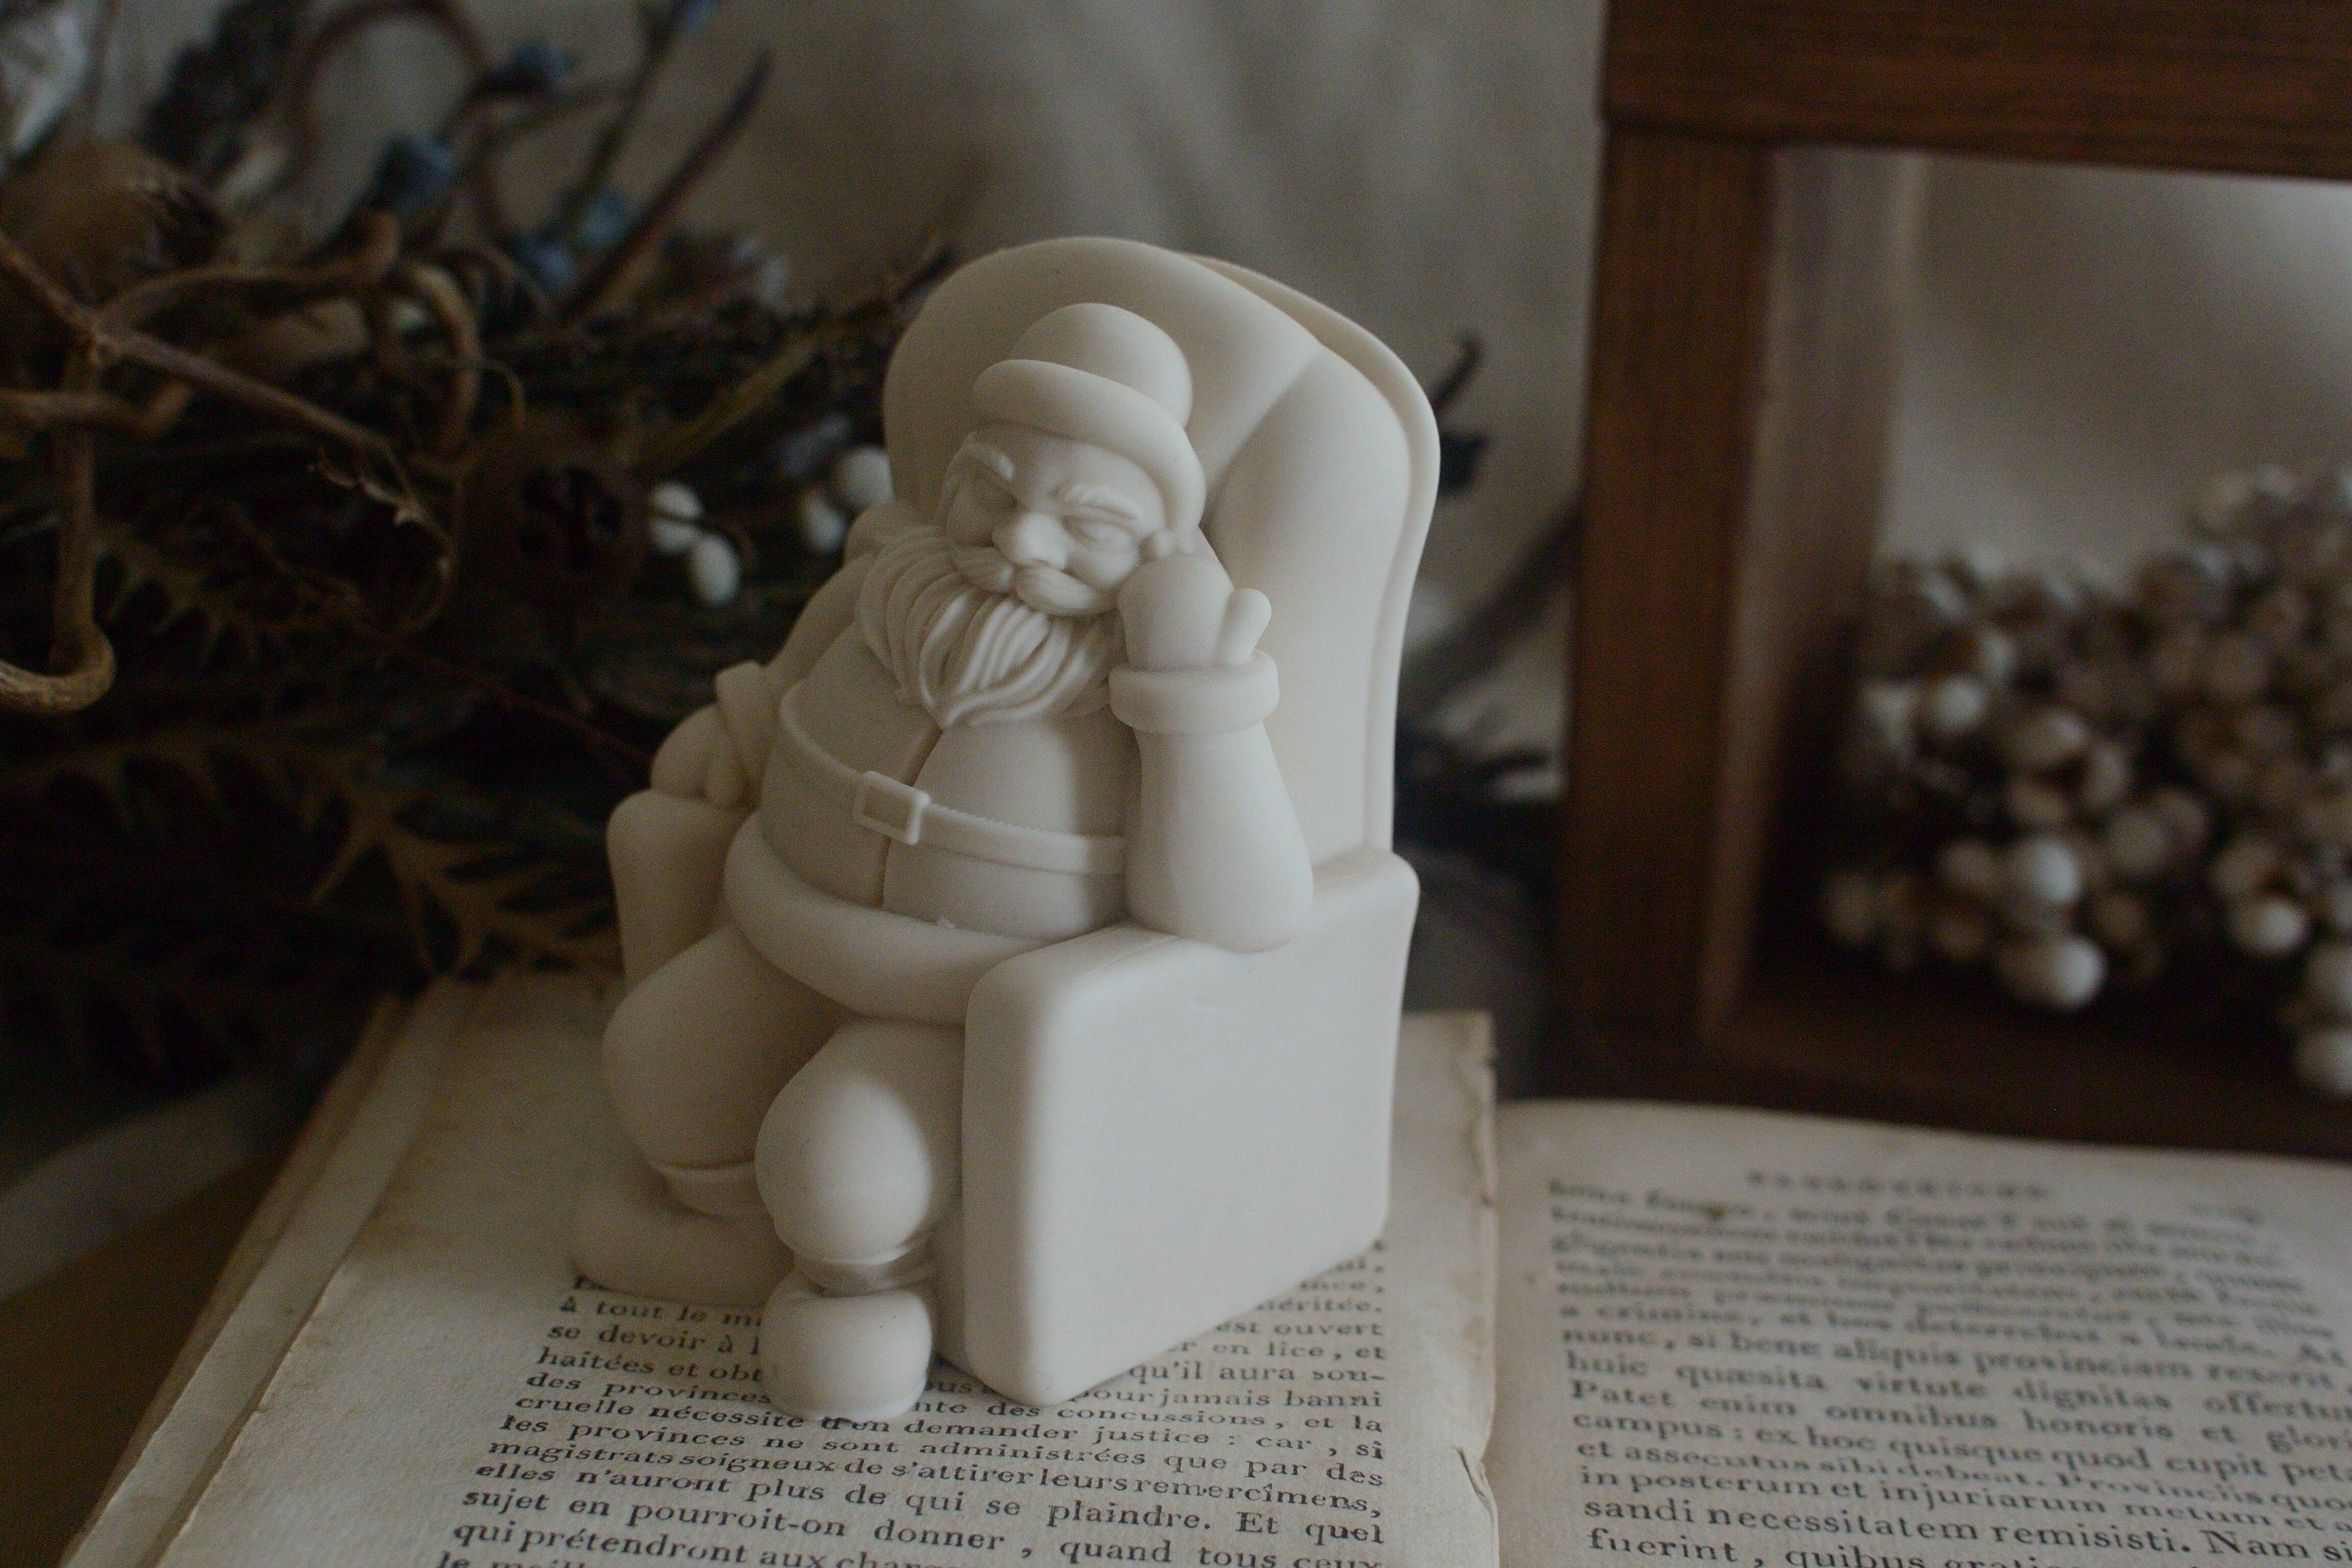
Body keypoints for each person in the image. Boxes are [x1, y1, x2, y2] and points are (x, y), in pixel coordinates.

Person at [576, 301, 1315, 1416]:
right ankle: (735, 1237)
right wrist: (740, 731)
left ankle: (862, 1294)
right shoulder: (893, 582)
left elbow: (1248, 910)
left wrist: (1192, 694)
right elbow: (788, 684)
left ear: (1157, 549)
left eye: (1086, 523)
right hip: (784, 925)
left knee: (838, 1167)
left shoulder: (1145, 675)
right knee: (658, 1060)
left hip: (953, 1007)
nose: (1020, 544)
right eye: (996, 492)